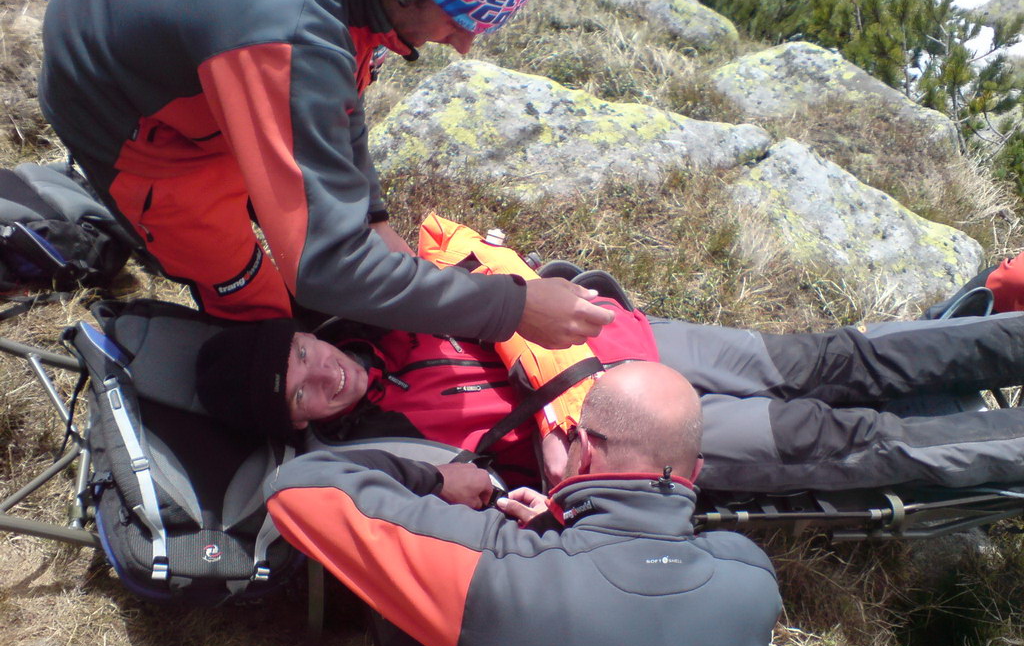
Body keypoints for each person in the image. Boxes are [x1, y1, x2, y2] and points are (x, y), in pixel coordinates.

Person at [38, 0, 612, 348]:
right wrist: (512, 308)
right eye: (460, 18)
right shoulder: (288, 36)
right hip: (137, 120)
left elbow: (340, 92)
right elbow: (326, 269)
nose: (464, 44)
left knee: (332, 239)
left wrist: (372, 215)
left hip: (210, 55)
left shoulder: (354, 6)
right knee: (256, 303)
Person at [264, 362, 782, 646]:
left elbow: (297, 486)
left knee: (403, 585)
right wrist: (557, 528)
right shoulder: (752, 577)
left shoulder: (497, 574)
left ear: (584, 450)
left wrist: (438, 478)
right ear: (695, 471)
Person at [197, 278, 1024, 495]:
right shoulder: (374, 452)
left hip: (629, 340)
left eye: (302, 354)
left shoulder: (366, 306)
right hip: (616, 435)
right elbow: (466, 492)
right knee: (831, 441)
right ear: (298, 422)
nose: (321, 374)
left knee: (836, 360)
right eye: (301, 393)